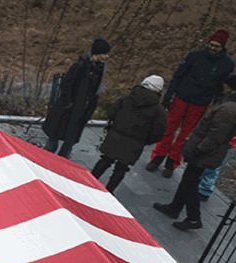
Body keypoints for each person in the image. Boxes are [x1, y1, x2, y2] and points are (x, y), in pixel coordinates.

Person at [147, 30, 235, 178]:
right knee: (168, 129)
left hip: (201, 103)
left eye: (217, 47)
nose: (213, 49)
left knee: (185, 134)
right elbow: (178, 75)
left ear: (223, 47)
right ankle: (157, 157)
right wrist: (168, 95)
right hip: (181, 97)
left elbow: (221, 87)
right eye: (212, 45)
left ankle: (172, 162)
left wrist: (216, 105)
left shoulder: (227, 64)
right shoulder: (194, 56)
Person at [153, 74, 236, 231]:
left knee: (190, 183)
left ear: (231, 88)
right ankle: (174, 207)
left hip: (205, 153)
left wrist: (198, 149)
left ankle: (193, 218)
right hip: (207, 152)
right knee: (188, 179)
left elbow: (215, 135)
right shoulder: (229, 106)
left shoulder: (228, 109)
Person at [92, 75, 168, 193]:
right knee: (121, 169)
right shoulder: (159, 110)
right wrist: (143, 141)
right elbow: (158, 133)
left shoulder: (127, 98)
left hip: (114, 137)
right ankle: (108, 194)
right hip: (134, 146)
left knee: (105, 160)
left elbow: (111, 112)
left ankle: (88, 183)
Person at [43, 39, 110, 158]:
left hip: (81, 111)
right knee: (54, 138)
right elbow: (66, 85)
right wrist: (68, 103)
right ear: (97, 53)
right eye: (104, 53)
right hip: (67, 109)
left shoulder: (99, 69)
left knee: (70, 140)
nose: (107, 56)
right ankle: (44, 159)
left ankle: (62, 162)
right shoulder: (80, 66)